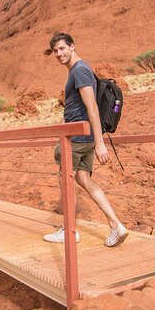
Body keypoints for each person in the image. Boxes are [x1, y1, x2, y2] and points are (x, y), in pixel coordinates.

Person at [44, 33, 128, 247]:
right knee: (84, 179)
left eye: (62, 48)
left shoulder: (80, 71)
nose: (59, 54)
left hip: (77, 137)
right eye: (55, 51)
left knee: (66, 179)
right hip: (85, 136)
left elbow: (91, 107)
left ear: (72, 46)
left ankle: (69, 231)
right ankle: (116, 225)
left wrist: (100, 144)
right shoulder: (79, 70)